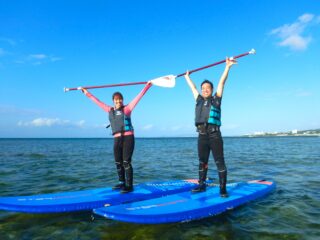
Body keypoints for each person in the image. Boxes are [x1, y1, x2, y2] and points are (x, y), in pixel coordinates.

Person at [80, 82, 152, 193]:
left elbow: (139, 96)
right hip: (117, 139)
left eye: (120, 99)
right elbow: (97, 102)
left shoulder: (127, 109)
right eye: (116, 99)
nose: (118, 101)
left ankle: (129, 185)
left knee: (126, 162)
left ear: (122, 100)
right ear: (113, 101)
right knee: (118, 162)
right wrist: (86, 93)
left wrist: (147, 85)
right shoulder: (109, 110)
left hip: (128, 138)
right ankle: (121, 182)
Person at [184, 57, 237, 197]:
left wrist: (227, 67)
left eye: (208, 88)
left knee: (220, 162)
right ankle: (201, 186)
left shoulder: (216, 99)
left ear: (212, 90)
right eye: (203, 88)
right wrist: (187, 77)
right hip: (202, 136)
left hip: (214, 135)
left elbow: (222, 82)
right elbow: (193, 88)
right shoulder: (199, 100)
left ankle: (223, 189)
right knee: (202, 162)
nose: (205, 90)